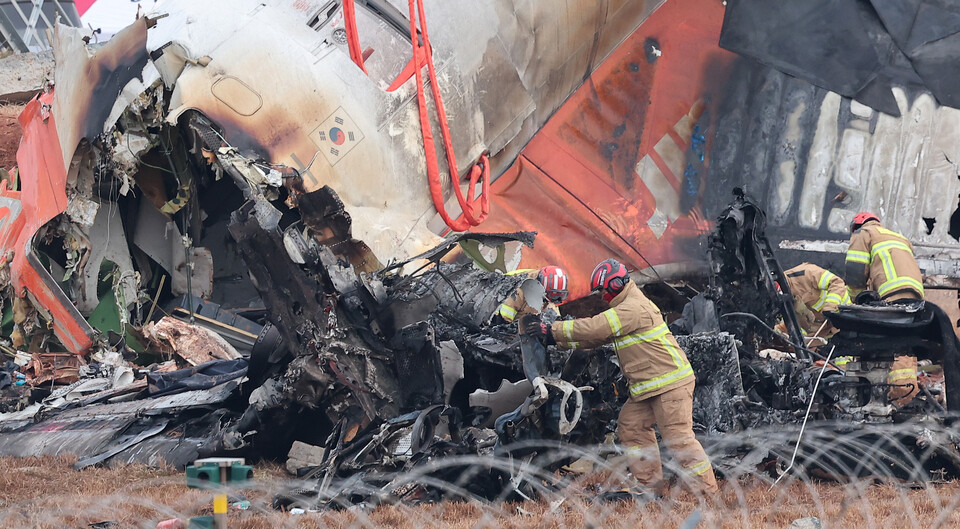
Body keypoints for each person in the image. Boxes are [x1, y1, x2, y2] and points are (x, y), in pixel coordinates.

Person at [522, 258, 718, 494]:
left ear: (614, 284)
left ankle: (708, 495)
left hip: (669, 385)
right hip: (647, 387)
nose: (602, 295)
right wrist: (555, 339)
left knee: (679, 440)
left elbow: (597, 327)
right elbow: (597, 338)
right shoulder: (623, 309)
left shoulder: (632, 308)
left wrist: (553, 329)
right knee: (631, 427)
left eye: (603, 289)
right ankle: (650, 487)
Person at [845, 212, 924, 404]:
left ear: (857, 226)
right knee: (904, 346)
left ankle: (888, 400)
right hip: (916, 297)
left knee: (886, 344)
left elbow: (855, 271)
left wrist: (857, 303)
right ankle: (905, 401)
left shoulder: (864, 234)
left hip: (891, 294)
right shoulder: (899, 237)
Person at [783, 262, 851, 338]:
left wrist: (830, 307)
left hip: (844, 316)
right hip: (820, 330)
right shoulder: (777, 298)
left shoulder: (807, 273)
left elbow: (837, 282)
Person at [491, 266, 568, 324]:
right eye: (553, 294)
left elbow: (553, 316)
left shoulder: (549, 297)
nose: (555, 298)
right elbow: (501, 321)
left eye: (559, 295)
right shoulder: (518, 290)